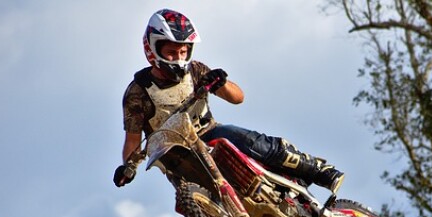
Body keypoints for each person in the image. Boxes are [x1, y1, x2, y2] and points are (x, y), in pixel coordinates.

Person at [113, 9, 344, 193]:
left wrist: (220, 82)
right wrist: (128, 167)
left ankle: (317, 170)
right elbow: (132, 140)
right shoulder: (137, 93)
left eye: (183, 52)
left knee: (252, 142)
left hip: (209, 134)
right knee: (187, 202)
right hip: (176, 158)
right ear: (153, 49)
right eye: (172, 53)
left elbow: (237, 98)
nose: (179, 58)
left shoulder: (196, 70)